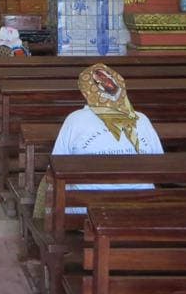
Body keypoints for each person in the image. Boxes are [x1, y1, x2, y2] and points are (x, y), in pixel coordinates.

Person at [48, 63, 164, 213]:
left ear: (86, 92)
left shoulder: (75, 120)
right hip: (141, 210)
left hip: (86, 211)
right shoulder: (141, 119)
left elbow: (55, 166)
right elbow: (159, 164)